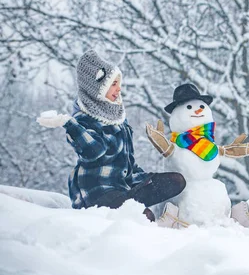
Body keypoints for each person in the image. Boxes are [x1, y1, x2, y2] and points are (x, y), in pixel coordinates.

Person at [36, 50, 186, 221]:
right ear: (98, 87)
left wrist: (146, 181)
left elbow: (127, 161)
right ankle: (143, 217)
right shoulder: (82, 120)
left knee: (176, 181)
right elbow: (94, 152)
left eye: (118, 83)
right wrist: (68, 124)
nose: (118, 88)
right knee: (144, 218)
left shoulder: (118, 117)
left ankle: (139, 208)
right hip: (97, 192)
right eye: (113, 83)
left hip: (121, 185)